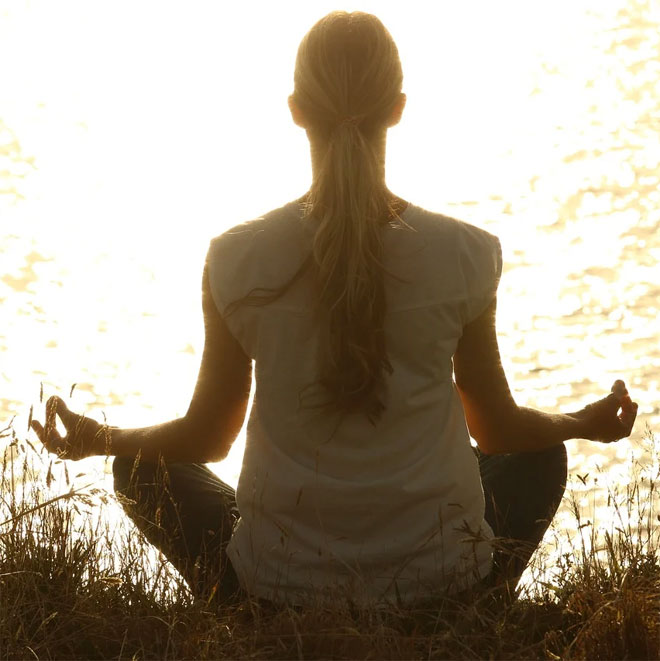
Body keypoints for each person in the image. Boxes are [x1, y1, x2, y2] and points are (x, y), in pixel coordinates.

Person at [31, 11, 638, 608]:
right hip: (440, 578)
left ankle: (246, 610)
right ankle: (466, 601)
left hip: (277, 586)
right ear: (398, 108)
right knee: (539, 453)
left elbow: (208, 437)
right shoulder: (466, 252)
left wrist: (98, 438)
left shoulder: (235, 257)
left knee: (140, 470)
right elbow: (497, 428)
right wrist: (578, 424)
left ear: (295, 110)